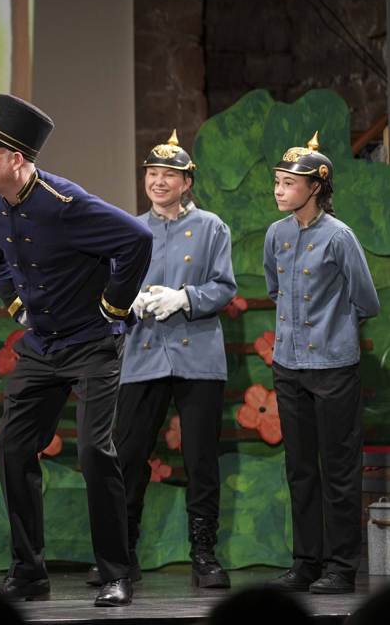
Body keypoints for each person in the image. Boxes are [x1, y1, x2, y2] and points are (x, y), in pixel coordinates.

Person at [0, 94, 152, 608]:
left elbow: (136, 240)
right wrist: (16, 306)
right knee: (12, 448)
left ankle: (116, 573)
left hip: (91, 344)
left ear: (16, 159)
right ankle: (29, 572)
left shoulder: (65, 203)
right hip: (41, 347)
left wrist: (114, 306)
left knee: (93, 451)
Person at [87, 131, 235, 589]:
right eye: (152, 173)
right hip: (143, 354)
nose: (158, 181)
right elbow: (110, 287)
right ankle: (121, 556)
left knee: (201, 458)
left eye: (168, 175)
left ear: (186, 182)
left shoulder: (212, 227)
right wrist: (124, 303)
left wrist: (185, 298)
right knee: (129, 457)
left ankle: (204, 555)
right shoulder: (129, 229)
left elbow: (224, 286)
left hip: (198, 357)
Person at [263, 132, 378, 595]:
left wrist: (333, 333)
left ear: (316, 187)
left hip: (332, 368)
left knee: (339, 469)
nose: (279, 190)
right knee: (300, 469)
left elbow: (366, 300)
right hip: (288, 366)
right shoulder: (276, 234)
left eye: (289, 183)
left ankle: (341, 567)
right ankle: (305, 563)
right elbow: (275, 288)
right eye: (277, 181)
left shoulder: (339, 236)